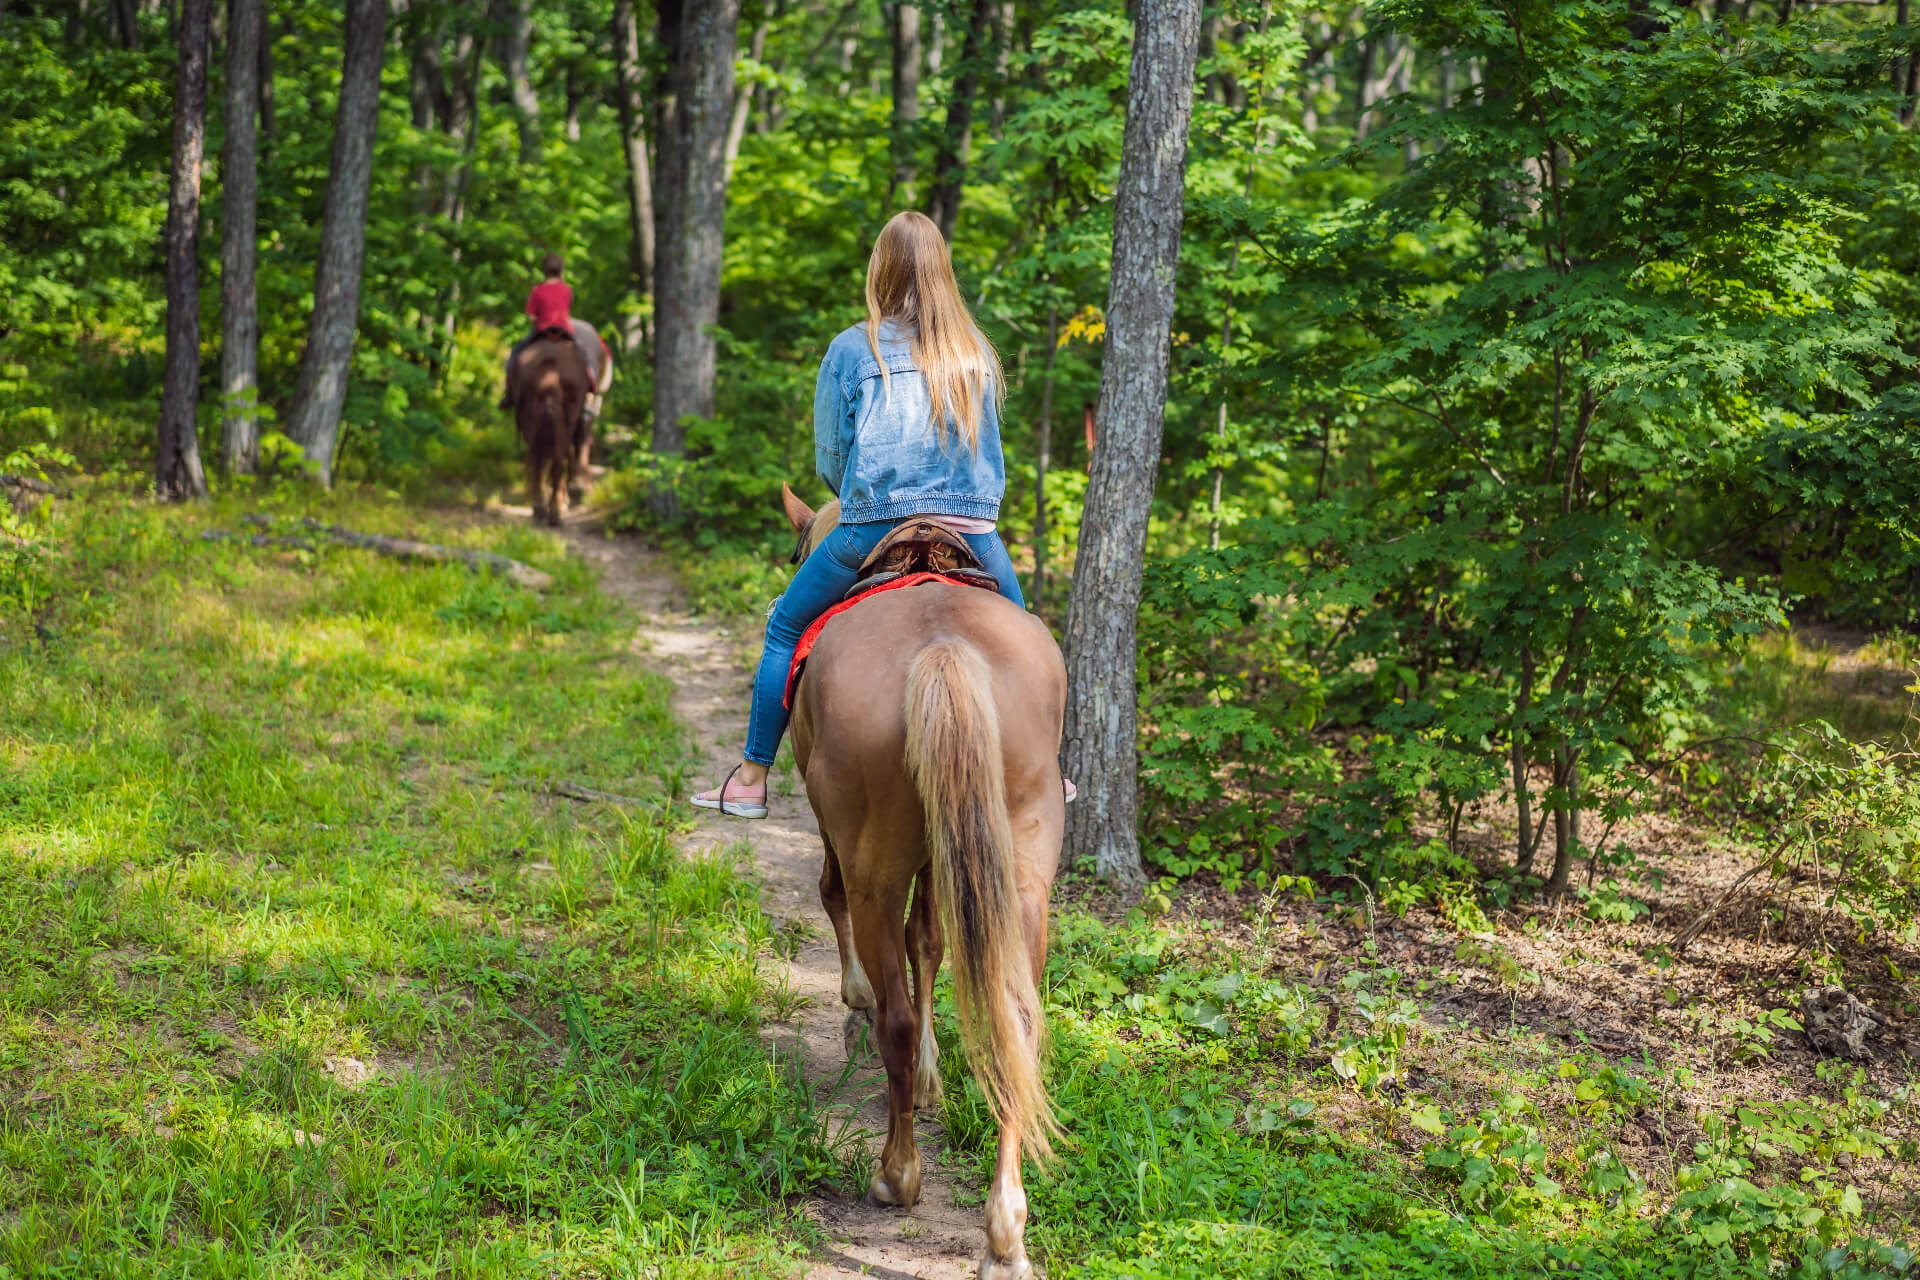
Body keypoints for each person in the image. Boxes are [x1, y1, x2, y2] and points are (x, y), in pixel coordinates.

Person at [692, 211, 1072, 819]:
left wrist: (858, 495)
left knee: (785, 629)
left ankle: (751, 778)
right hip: (972, 530)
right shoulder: (974, 350)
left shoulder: (853, 348)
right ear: (943, 270)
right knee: (1025, 640)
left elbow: (831, 457)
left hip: (873, 524)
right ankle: (1047, 767)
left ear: (881, 269)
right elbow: (991, 449)